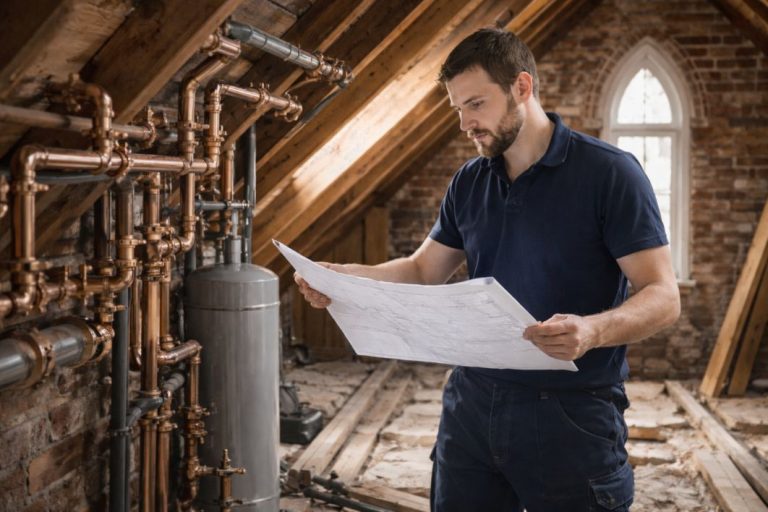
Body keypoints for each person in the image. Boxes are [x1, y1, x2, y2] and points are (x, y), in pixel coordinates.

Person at [295, 28, 680, 512]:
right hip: (472, 408)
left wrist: (592, 329)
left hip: (571, 414)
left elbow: (664, 295)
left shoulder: (610, 174)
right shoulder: (469, 181)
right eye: (457, 108)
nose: (464, 124)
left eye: (475, 104)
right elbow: (421, 272)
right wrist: (344, 278)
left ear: (522, 87)